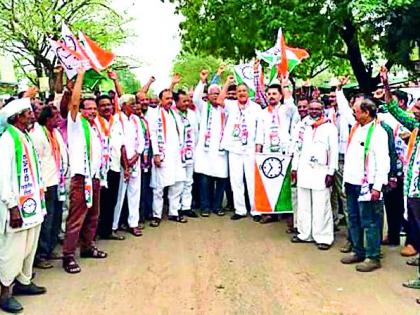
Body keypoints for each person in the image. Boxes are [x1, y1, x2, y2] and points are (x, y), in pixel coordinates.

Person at [0, 98, 47, 313]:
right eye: (28, 112)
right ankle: (5, 293)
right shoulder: (7, 140)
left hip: (32, 204)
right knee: (13, 249)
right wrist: (12, 206)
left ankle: (24, 282)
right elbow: (2, 177)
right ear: (17, 116)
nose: (32, 114)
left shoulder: (25, 135)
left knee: (29, 246)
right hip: (16, 207)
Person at [62, 67, 107, 274]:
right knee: (76, 218)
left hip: (95, 177)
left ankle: (88, 247)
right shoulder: (75, 123)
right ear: (80, 110)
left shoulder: (95, 125)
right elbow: (73, 101)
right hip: (81, 179)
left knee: (93, 216)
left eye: (93, 108)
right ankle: (68, 256)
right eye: (87, 108)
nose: (91, 111)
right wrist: (80, 75)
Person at [380, 68, 420, 292]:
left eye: (418, 109)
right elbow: (395, 110)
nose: (414, 111)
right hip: (413, 192)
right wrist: (386, 85)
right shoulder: (416, 127)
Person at [340, 96, 390, 272]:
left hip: (368, 185)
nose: (353, 113)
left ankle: (372, 256)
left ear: (366, 113)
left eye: (357, 111)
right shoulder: (357, 128)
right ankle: (358, 251)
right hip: (352, 183)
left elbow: (384, 161)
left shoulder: (378, 132)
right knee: (353, 219)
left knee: (370, 221)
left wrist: (377, 186)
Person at [290, 99, 338, 250]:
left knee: (321, 204)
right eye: (311, 109)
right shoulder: (302, 126)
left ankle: (323, 237)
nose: (314, 111)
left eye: (317, 109)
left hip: (321, 171)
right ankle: (304, 234)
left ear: (322, 110)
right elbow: (296, 149)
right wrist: (294, 168)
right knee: (303, 204)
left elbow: (334, 151)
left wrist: (331, 172)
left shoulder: (330, 127)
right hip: (304, 170)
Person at [254, 62, 299, 223]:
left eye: (275, 94)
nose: (271, 96)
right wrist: (258, 152)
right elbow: (260, 133)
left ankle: (286, 212)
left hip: (284, 151)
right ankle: (269, 212)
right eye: (269, 94)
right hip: (267, 151)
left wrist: (285, 84)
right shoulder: (262, 113)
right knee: (269, 181)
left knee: (285, 182)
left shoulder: (286, 109)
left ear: (280, 96)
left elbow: (290, 103)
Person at [218, 76, 263, 221]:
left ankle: (256, 210)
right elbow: (219, 100)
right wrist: (227, 83)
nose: (242, 93)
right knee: (236, 180)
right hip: (234, 147)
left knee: (251, 180)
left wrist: (258, 147)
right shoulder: (231, 105)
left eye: (244, 91)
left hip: (250, 149)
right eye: (239, 91)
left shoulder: (256, 108)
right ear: (236, 93)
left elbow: (260, 129)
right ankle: (240, 209)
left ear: (248, 92)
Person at [31, 105, 68, 269]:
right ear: (47, 119)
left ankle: (51, 248)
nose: (59, 118)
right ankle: (41, 255)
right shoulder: (38, 135)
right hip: (46, 184)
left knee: (56, 217)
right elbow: (36, 161)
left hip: (57, 181)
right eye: (55, 116)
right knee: (47, 220)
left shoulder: (55, 132)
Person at [148, 89, 187, 227]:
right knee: (159, 187)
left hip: (176, 155)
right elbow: (153, 134)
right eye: (166, 98)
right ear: (161, 100)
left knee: (178, 184)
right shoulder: (154, 114)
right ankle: (156, 215)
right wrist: (156, 154)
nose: (169, 101)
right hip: (163, 155)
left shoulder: (175, 114)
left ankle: (174, 212)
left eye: (171, 98)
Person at [193, 70, 228, 217]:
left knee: (221, 179)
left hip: (221, 151)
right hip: (205, 151)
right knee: (204, 179)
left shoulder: (226, 108)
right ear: (207, 95)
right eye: (212, 93)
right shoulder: (203, 107)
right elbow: (195, 98)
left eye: (217, 93)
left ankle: (217, 206)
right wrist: (202, 82)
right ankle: (205, 206)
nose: (214, 95)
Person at [112, 95, 144, 237]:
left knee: (135, 193)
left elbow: (142, 140)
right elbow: (120, 144)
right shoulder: (117, 119)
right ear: (124, 105)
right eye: (132, 103)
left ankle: (133, 224)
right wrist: (126, 164)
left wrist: (136, 156)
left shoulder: (136, 119)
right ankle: (114, 225)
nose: (135, 106)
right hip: (121, 163)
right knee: (119, 195)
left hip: (135, 161)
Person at [95, 94, 126, 241]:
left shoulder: (117, 122)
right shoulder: (93, 122)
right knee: (97, 202)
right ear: (97, 108)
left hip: (114, 166)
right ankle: (93, 233)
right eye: (103, 105)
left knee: (111, 200)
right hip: (99, 170)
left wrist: (125, 166)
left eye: (109, 104)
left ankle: (107, 231)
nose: (107, 107)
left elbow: (121, 146)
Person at [173, 90, 199, 217]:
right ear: (176, 102)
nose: (186, 103)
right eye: (184, 101)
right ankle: (175, 208)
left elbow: (196, 133)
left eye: (188, 101)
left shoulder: (193, 114)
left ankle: (186, 207)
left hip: (190, 153)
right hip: (177, 155)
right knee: (178, 182)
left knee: (189, 181)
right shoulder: (172, 114)